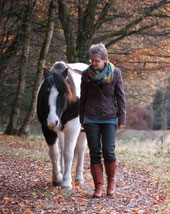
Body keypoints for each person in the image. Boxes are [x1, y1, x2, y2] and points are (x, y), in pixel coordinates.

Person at [79, 43, 126, 198]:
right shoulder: (86, 74)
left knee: (109, 151)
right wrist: (81, 118)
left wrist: (121, 118)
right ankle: (98, 187)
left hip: (110, 117)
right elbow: (83, 98)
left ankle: (111, 182)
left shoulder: (115, 73)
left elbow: (120, 97)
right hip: (90, 117)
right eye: (92, 60)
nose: (93, 63)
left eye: (97, 60)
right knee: (94, 153)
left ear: (105, 59)